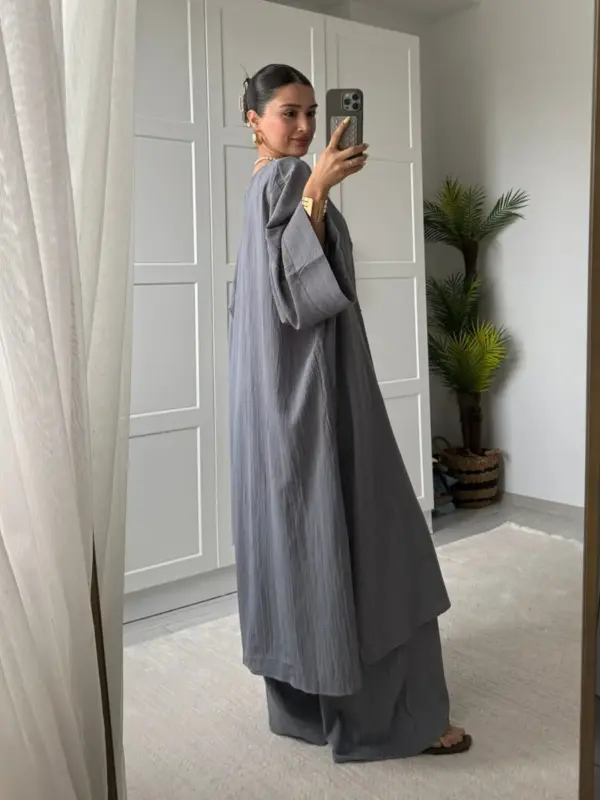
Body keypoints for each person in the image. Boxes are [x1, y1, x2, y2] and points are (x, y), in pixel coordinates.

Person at [228, 63, 472, 763]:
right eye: (289, 113)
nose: (306, 126)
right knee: (374, 537)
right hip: (315, 391)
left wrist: (317, 190)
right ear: (253, 119)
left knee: (304, 541)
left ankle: (311, 705)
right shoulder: (285, 179)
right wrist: (317, 189)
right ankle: (393, 717)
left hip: (276, 393)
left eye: (311, 112)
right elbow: (300, 295)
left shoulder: (260, 184)